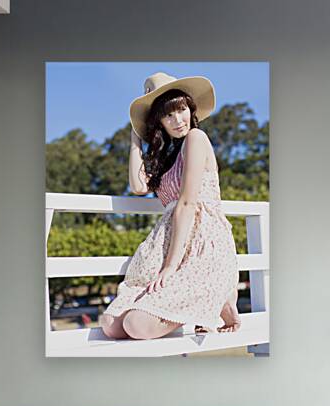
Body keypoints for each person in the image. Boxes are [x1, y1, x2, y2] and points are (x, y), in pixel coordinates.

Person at [99, 72, 241, 341]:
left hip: (200, 244)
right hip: (169, 242)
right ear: (158, 122)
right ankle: (208, 302)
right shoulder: (166, 157)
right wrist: (134, 136)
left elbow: (187, 203)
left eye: (182, 109)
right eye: (167, 115)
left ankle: (217, 298)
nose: (178, 120)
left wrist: (170, 266)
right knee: (111, 324)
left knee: (136, 326)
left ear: (191, 109)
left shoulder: (196, 138)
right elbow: (138, 186)